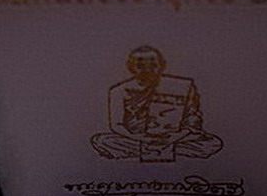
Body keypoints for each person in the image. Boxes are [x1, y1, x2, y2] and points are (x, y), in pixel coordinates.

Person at [90, 46, 223, 162]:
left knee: (212, 143)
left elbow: (193, 117)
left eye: (152, 64)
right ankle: (162, 150)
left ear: (162, 65)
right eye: (141, 65)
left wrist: (176, 136)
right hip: (136, 138)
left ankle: (138, 151)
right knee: (101, 140)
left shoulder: (183, 86)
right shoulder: (118, 91)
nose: (147, 69)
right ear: (130, 66)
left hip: (175, 137)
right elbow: (117, 125)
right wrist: (143, 138)